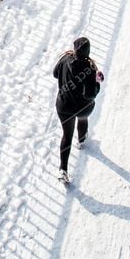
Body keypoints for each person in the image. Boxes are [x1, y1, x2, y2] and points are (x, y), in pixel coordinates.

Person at [53, 36, 103, 183]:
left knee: (66, 135)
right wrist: (97, 82)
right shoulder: (90, 68)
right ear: (88, 52)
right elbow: (90, 94)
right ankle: (81, 141)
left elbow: (55, 74)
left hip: (64, 105)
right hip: (83, 108)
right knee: (82, 119)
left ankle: (63, 170)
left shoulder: (65, 59)